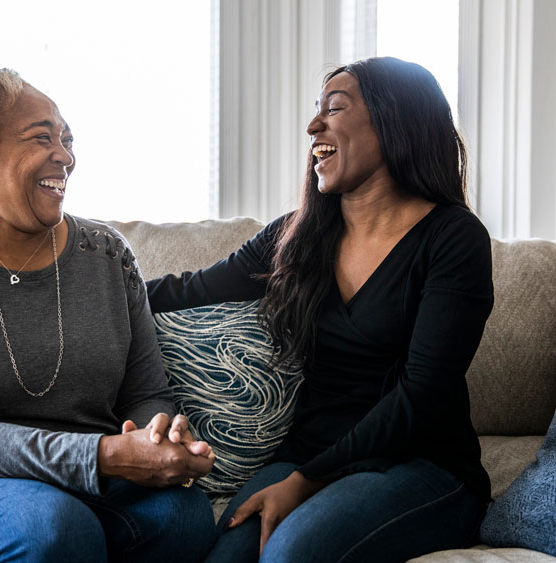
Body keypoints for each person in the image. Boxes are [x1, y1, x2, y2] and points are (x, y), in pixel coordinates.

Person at [146, 57, 494, 562]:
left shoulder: (453, 239)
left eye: (334, 109)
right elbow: (187, 290)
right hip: (304, 455)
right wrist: (75, 284)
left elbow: (422, 395)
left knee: (292, 554)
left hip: (420, 465)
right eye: (316, 111)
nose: (313, 127)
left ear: (394, 120)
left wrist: (308, 481)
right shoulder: (300, 233)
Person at [0, 67, 216, 563]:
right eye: (41, 138)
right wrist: (103, 456)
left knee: (182, 518)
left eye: (67, 140)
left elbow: (146, 393)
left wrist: (156, 439)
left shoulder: (108, 255)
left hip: (80, 473)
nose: (66, 156)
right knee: (53, 530)